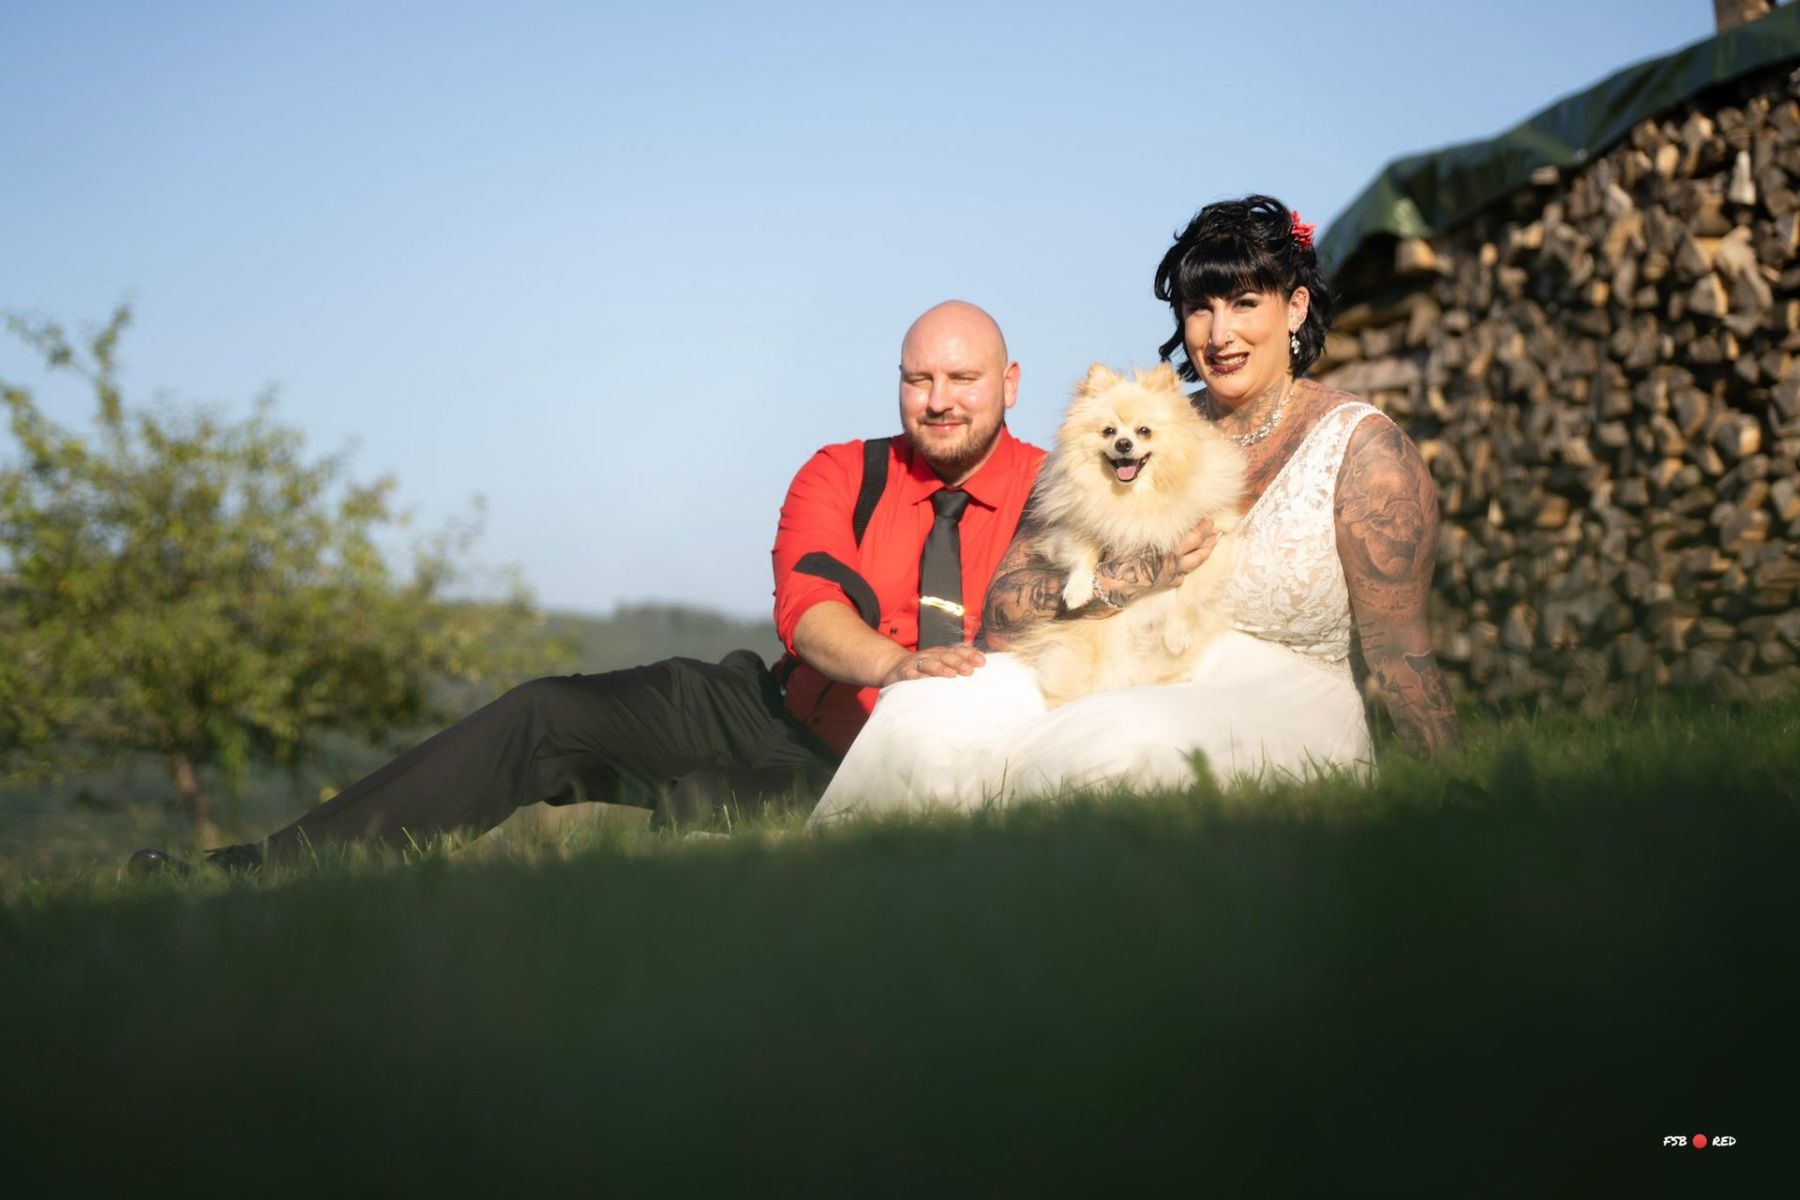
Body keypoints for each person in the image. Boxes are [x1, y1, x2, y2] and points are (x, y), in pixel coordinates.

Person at [132, 300, 1044, 871]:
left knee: (701, 808)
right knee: (544, 711)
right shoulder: (843, 470)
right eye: (917, 378)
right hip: (779, 704)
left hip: (890, 771)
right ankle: (268, 870)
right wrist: (893, 665)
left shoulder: (1058, 490)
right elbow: (809, 614)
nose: (938, 399)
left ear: (1007, 383)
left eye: (962, 378)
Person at [811, 196, 1462, 820]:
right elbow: (1008, 611)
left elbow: (1401, 650)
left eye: (1243, 303)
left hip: (1279, 701)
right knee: (925, 709)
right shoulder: (1134, 423)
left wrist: (1453, 798)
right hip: (1104, 662)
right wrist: (1131, 577)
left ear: (1294, 309)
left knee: (1109, 739)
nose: (1220, 332)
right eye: (1199, 308)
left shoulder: (1365, 450)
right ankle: (839, 894)